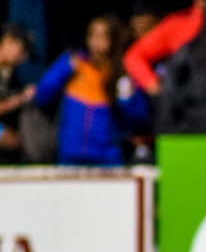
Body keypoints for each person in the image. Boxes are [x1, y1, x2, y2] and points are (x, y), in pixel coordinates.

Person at [31, 14, 146, 165]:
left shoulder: (121, 74)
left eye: (103, 36)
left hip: (108, 160)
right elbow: (41, 97)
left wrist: (128, 99)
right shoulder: (72, 64)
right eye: (92, 35)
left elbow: (138, 121)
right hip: (70, 156)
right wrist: (62, 70)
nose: (96, 42)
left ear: (113, 40)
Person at [0, 23, 40, 164]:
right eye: (22, 50)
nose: (23, 58)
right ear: (9, 40)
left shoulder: (13, 77)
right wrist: (21, 99)